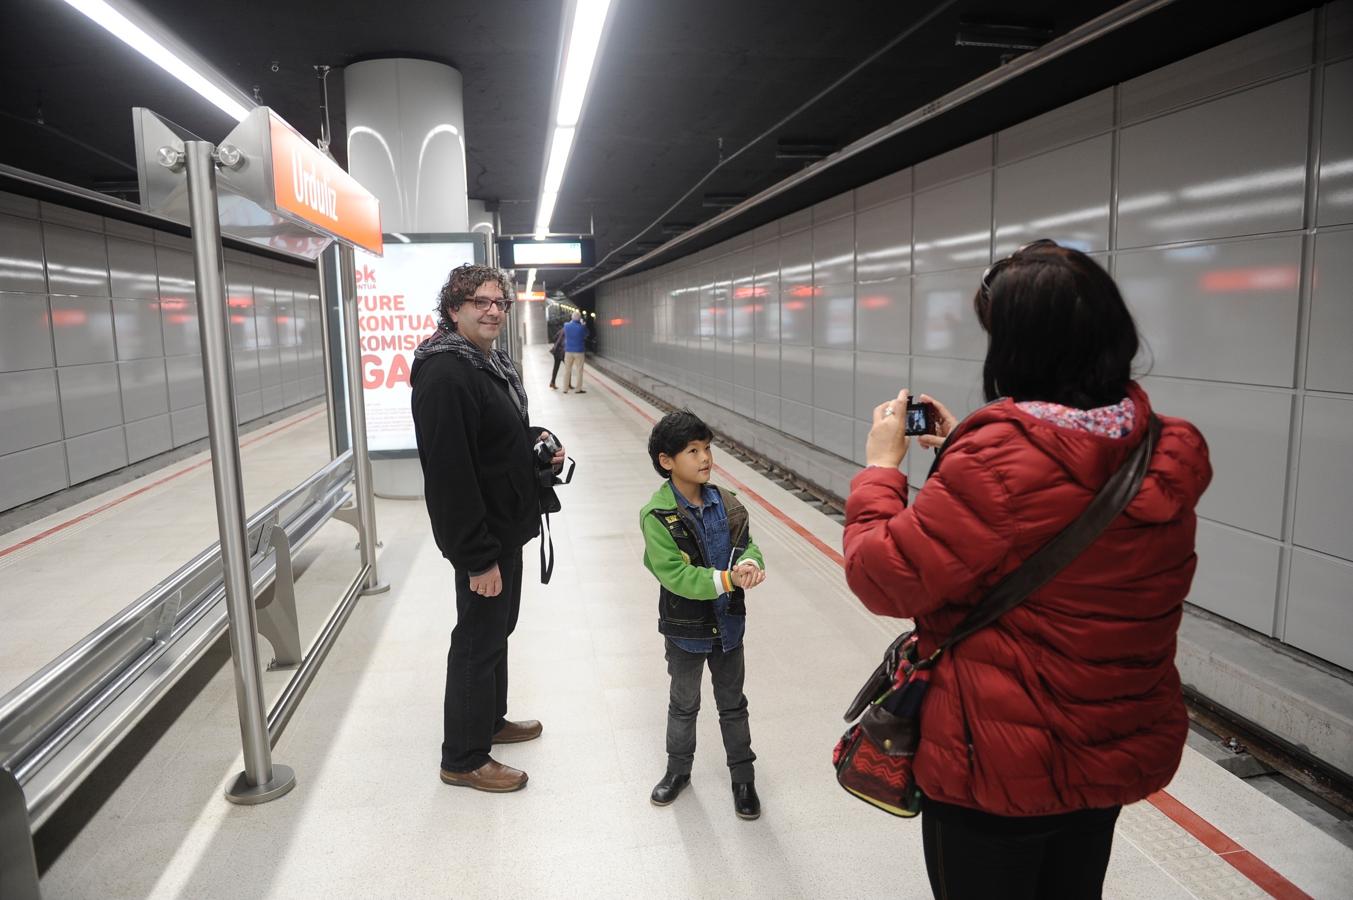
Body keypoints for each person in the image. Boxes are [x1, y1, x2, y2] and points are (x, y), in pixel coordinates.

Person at [842, 240, 1212, 899]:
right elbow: (1052, 514)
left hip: (996, 765)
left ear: (1016, 347)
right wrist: (963, 449)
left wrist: (880, 471)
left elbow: (881, 577)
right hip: (1110, 745)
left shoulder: (998, 458)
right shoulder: (1158, 447)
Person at [410, 263, 566, 793]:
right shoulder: (445, 373)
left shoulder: (486, 362)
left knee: (498, 629)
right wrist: (477, 557)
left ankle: (490, 721)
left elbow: (497, 435)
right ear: (453, 309)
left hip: (506, 526)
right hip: (483, 539)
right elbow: (450, 473)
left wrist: (537, 440)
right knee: (477, 639)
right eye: (480, 301)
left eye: (500, 301)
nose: (493, 310)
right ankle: (463, 756)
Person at [640, 410, 767, 819]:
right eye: (692, 451)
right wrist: (730, 579)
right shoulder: (657, 517)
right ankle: (678, 771)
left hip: (728, 627)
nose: (705, 458)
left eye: (707, 448)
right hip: (686, 632)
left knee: (733, 704)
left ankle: (743, 778)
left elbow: (747, 546)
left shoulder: (727, 504)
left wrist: (750, 564)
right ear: (666, 461)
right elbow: (676, 576)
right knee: (684, 704)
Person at [560, 311, 588, 393]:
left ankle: (565, 389)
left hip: (568, 351)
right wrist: (583, 325)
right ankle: (578, 389)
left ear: (572, 317)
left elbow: (566, 332)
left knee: (567, 370)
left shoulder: (566, 325)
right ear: (579, 319)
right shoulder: (581, 327)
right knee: (579, 370)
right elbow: (586, 334)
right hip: (579, 351)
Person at [548, 325, 566, 390]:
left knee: (556, 367)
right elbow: (564, 343)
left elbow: (555, 338)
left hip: (556, 351)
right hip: (562, 352)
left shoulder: (561, 330)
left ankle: (552, 382)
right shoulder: (567, 331)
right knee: (568, 367)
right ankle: (568, 384)